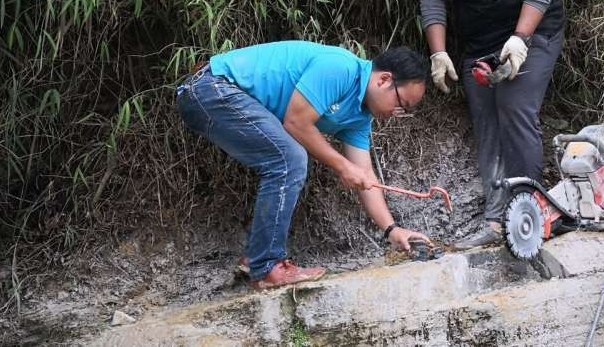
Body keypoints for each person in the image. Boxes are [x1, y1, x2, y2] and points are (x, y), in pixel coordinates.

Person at [176, 41, 432, 289]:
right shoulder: (341, 68)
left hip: (219, 96)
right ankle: (266, 267)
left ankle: (257, 259)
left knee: (286, 158)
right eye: (401, 104)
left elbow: (366, 177)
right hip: (211, 88)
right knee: (289, 158)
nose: (398, 113)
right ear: (384, 80)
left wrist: (392, 230)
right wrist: (342, 166)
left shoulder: (359, 118)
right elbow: (296, 122)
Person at [419, 0, 565, 249]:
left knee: (514, 105)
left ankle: (529, 210)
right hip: (479, 39)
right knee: (485, 116)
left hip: (533, 31)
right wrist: (439, 52)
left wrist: (520, 39)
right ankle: (496, 218)